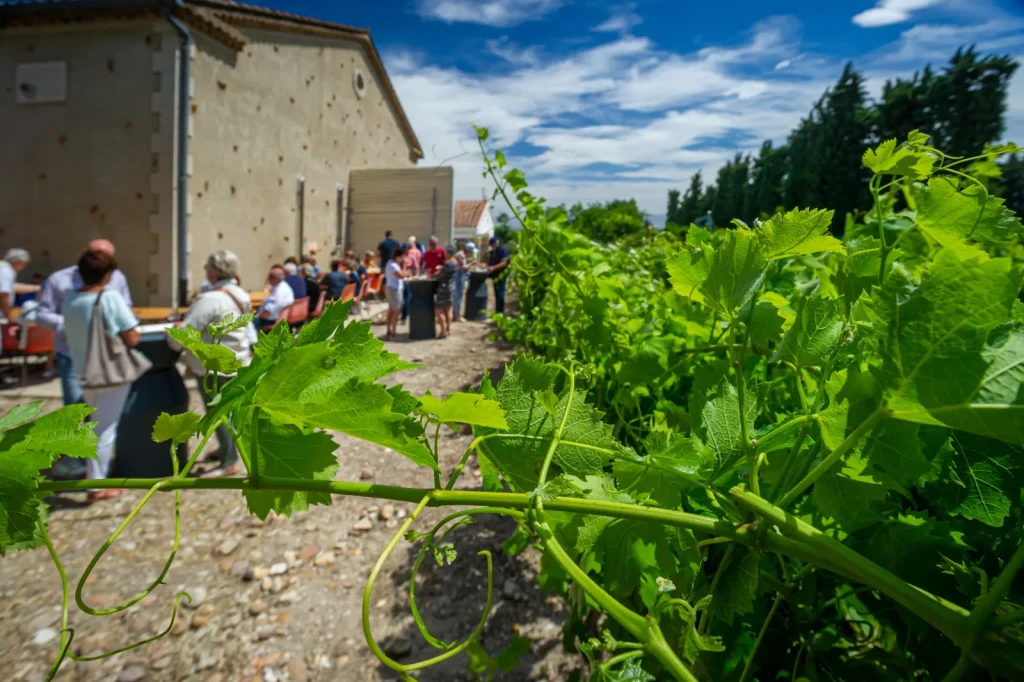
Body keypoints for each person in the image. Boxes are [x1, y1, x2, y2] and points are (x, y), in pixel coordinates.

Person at [61, 250, 140, 502]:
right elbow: (132, 337)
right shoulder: (109, 298)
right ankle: (97, 485)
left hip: (83, 370)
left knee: (94, 424)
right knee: (105, 429)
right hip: (109, 372)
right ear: (106, 275)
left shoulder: (69, 298)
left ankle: (93, 476)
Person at [167, 250, 250, 477]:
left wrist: (173, 336)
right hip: (237, 359)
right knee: (229, 412)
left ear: (212, 273)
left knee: (217, 413)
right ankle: (228, 448)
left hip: (214, 365)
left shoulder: (210, 299)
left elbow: (184, 334)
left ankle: (228, 461)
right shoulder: (240, 295)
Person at [37, 239, 133, 407]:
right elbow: (42, 314)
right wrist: (71, 323)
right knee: (75, 409)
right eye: (96, 257)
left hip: (107, 357)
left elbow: (126, 308)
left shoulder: (117, 278)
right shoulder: (59, 279)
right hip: (71, 354)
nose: (101, 262)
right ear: (85, 255)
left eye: (106, 258)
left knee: (105, 409)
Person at [255, 264, 294, 329]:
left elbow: (267, 313)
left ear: (273, 278)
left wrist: (256, 316)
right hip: (277, 318)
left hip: (269, 320)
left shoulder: (278, 292)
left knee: (248, 324)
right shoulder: (284, 287)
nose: (268, 278)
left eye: (270, 276)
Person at [434, 245, 459, 338]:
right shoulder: (456, 262)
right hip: (452, 287)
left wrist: (437, 273)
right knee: (448, 309)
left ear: (448, 253)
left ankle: (443, 331)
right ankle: (448, 330)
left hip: (444, 288)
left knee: (439, 310)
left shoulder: (448, 263)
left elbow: (441, 276)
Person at [384, 247, 409, 341]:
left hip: (392, 288)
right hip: (394, 289)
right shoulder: (393, 265)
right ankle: (393, 331)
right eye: (402, 257)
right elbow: (401, 275)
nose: (403, 259)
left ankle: (389, 330)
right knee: (396, 310)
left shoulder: (391, 263)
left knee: (391, 310)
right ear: (398, 256)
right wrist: (405, 269)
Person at [0, 248, 30, 323]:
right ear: (20, 261)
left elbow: (13, 287)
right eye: (24, 264)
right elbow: (4, 295)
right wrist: (9, 316)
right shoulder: (6, 271)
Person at [487, 236, 510, 315]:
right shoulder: (493, 252)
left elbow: (504, 263)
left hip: (501, 275)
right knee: (496, 293)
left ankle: (500, 312)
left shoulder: (503, 251)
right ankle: (497, 311)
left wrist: (493, 267)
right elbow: (490, 262)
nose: (492, 247)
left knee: (500, 293)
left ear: (496, 243)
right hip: (494, 276)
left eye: (493, 245)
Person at [452, 243, 473, 322]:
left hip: (457, 279)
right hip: (457, 279)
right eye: (471, 251)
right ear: (467, 250)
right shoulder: (462, 255)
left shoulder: (461, 254)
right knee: (458, 298)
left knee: (456, 297)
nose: (471, 253)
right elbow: (463, 268)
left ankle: (455, 315)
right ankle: (457, 316)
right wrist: (472, 263)